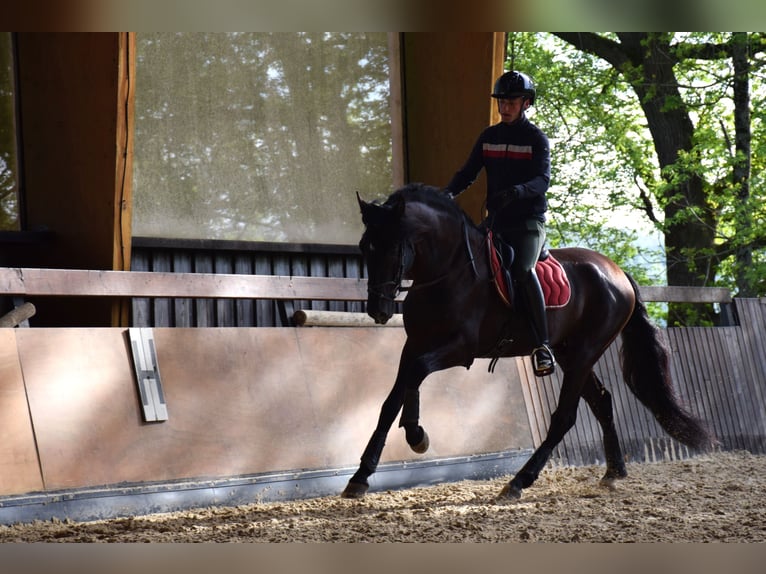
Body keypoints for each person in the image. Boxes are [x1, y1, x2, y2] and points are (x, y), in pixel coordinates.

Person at [444, 70, 554, 377]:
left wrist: (518, 191)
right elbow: (467, 173)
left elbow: (542, 180)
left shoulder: (536, 139)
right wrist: (446, 194)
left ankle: (543, 346)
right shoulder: (488, 137)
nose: (504, 107)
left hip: (528, 222)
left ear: (526, 104)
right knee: (467, 262)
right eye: (501, 101)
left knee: (521, 269)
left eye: (511, 101)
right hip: (497, 221)